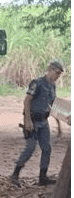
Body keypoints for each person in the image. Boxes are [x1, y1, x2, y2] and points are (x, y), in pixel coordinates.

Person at [10, 59, 64, 187]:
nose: (57, 76)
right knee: (30, 148)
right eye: (56, 73)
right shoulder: (37, 83)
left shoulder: (52, 86)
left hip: (43, 121)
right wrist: (27, 120)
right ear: (50, 70)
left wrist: (59, 125)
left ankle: (42, 177)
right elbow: (27, 101)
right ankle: (15, 174)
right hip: (33, 121)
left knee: (47, 148)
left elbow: (53, 106)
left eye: (59, 74)